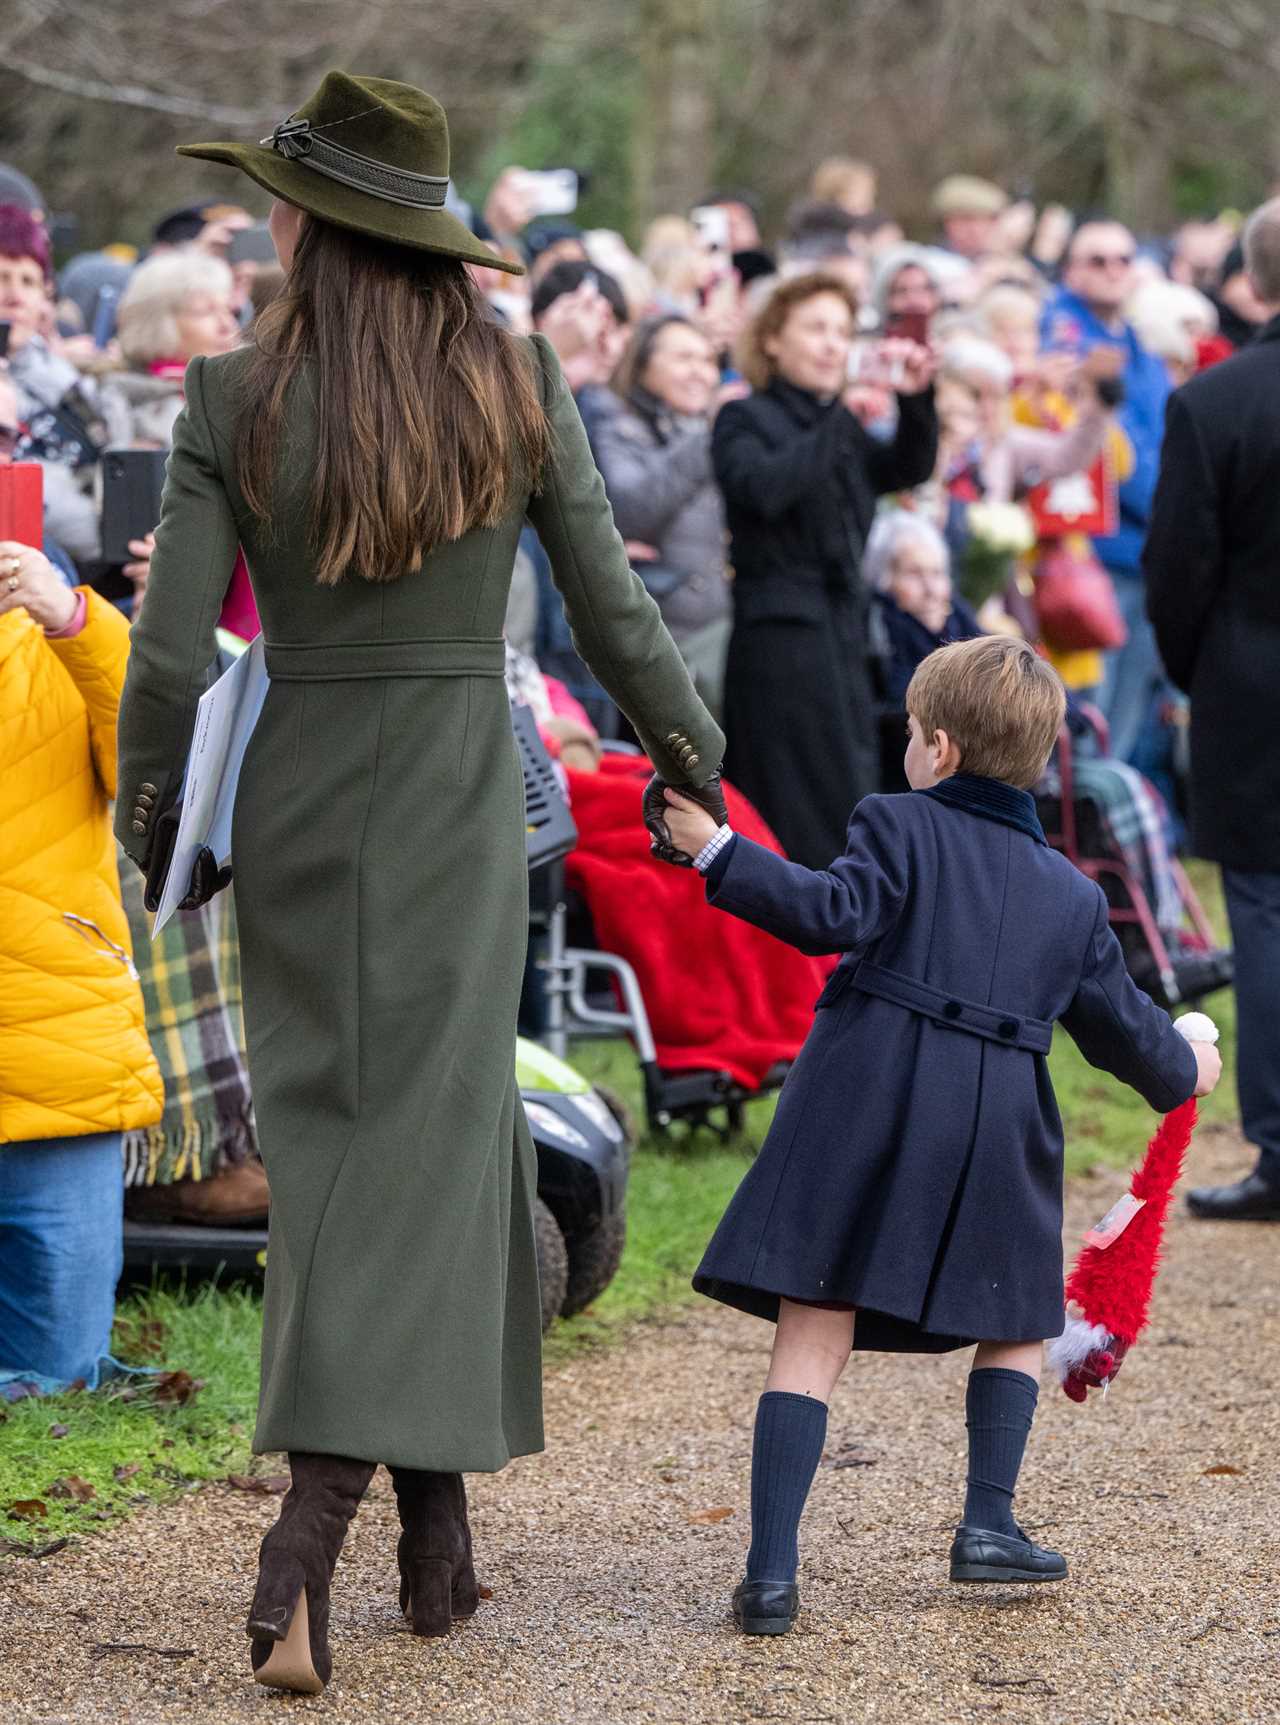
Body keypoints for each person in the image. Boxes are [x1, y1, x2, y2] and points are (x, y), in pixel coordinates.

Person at [114, 72, 725, 1695]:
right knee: (433, 1134)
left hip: (300, 787)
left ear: (319, 223)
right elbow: (613, 607)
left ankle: (431, 1542)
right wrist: (691, 754)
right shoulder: (519, 378)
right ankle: (306, 1541)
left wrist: (147, 806)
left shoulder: (232, 387)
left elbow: (172, 651)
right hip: (461, 790)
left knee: (350, 1150)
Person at [656, 634, 1220, 1637]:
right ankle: (987, 1527)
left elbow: (829, 913)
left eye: (914, 733)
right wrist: (1189, 1062)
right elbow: (1134, 1043)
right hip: (997, 1118)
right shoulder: (1071, 894)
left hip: (867, 1092)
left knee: (814, 1318)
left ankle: (772, 1572)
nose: (907, 750)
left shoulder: (897, 824)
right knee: (1013, 1316)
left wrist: (714, 848)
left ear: (940, 749)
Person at [0, 408, 163, 1398]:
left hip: (54, 1047)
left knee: (57, 1374)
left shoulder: (65, 636)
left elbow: (152, 764)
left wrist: (71, 617)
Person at [1145, 196, 1280, 1223]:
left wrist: (1200, 671)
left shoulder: (1215, 401)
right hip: (1244, 674)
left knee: (1264, 912)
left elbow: (1175, 570)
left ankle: (1278, 1147)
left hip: (1251, 681)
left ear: (1252, 281)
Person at [712, 272, 937, 867]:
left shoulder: (837, 423)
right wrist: (839, 418)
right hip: (779, 644)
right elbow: (763, 489)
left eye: (842, 331)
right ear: (771, 341)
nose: (832, 344)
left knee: (848, 796)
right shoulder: (744, 418)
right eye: (816, 328)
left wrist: (915, 399)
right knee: (796, 810)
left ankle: (842, 939)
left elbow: (905, 467)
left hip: (841, 635)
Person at [1041, 221, 1169, 763]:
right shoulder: (1067, 340)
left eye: (1123, 258)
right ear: (1071, 270)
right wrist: (1172, 506)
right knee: (1089, 721)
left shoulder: (1135, 342)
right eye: (1097, 260)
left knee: (1125, 716)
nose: (1113, 270)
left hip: (1145, 553)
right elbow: (1114, 459)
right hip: (1095, 558)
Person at [592, 315, 733, 715]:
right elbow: (632, 509)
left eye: (707, 360)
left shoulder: (707, 428)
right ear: (642, 365)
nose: (701, 372)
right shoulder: (617, 426)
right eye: (684, 358)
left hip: (720, 633)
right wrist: (707, 435)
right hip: (664, 641)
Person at [1, 204, 122, 564]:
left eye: (29, 281)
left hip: (95, 570)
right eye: (2, 277)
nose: (15, 296)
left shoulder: (68, 379)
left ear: (45, 296)